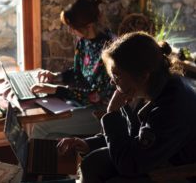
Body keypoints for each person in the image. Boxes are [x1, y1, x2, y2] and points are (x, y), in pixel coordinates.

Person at [57, 31, 196, 183]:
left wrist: (112, 113)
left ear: (143, 75)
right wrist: (88, 144)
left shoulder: (172, 107)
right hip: (152, 156)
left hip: (176, 169)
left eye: (117, 76)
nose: (112, 82)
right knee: (92, 163)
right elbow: (131, 136)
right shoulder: (147, 88)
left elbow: (130, 165)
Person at [30, 0, 116, 139]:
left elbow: (95, 96)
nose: (70, 31)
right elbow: (77, 73)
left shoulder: (109, 51)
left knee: (41, 127)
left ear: (89, 26)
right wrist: (55, 77)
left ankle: (30, 162)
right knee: (51, 133)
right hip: (84, 102)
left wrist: (56, 90)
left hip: (102, 111)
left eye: (73, 27)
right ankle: (43, 161)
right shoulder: (84, 41)